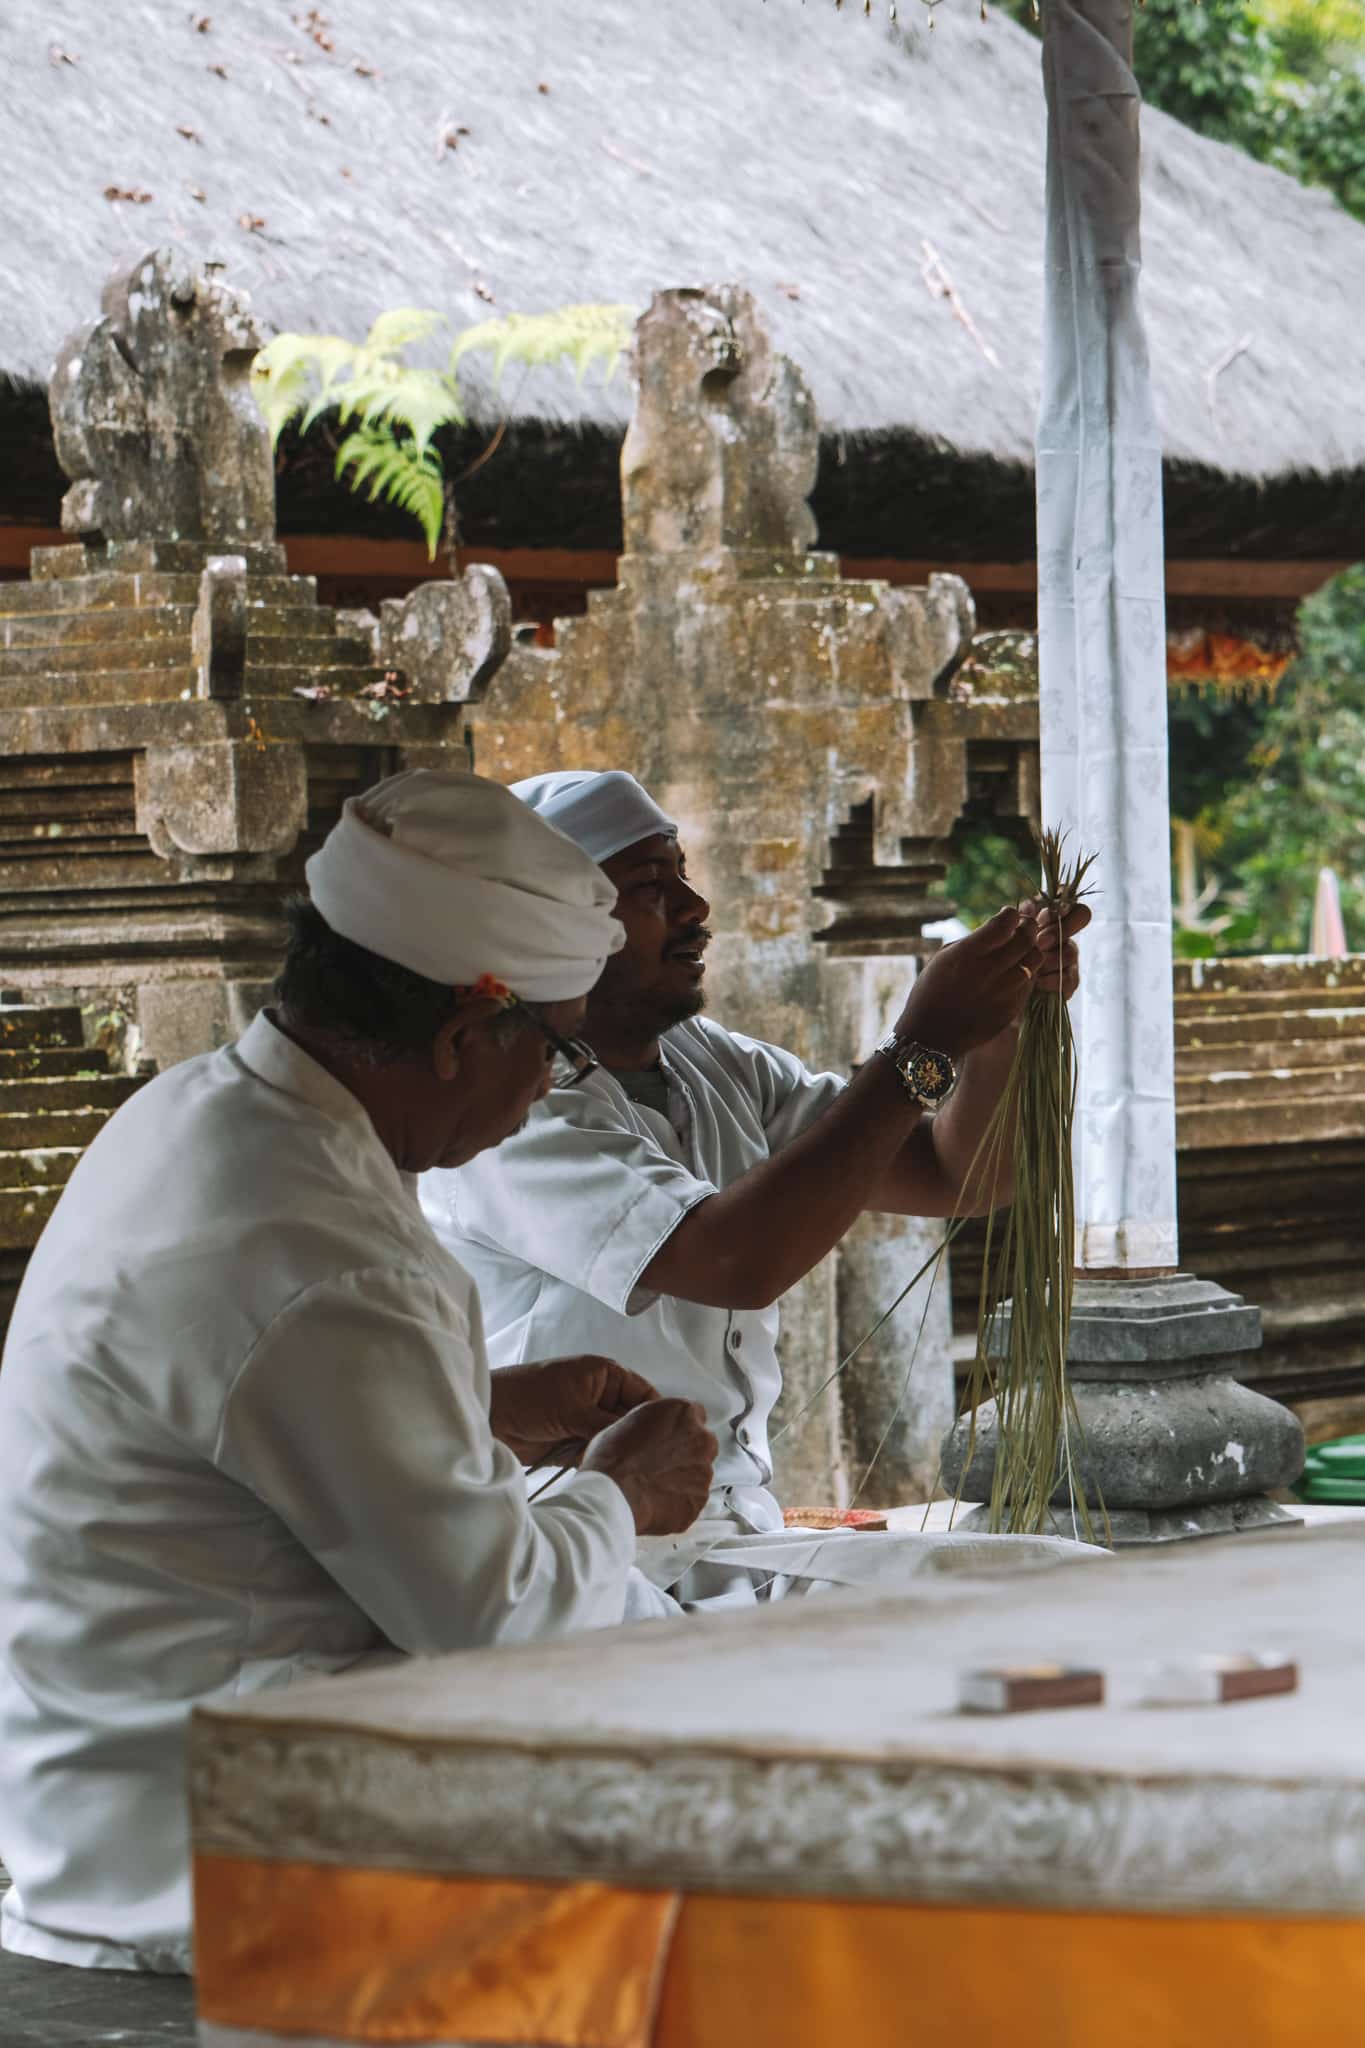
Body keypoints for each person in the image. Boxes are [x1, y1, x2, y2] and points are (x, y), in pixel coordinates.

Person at [0, 769, 716, 1973]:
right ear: (460, 1039)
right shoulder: (329, 1254)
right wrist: (621, 1493)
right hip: (212, 1850)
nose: (548, 1089)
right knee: (749, 1817)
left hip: (113, 1790)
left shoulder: (198, 1112)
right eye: (554, 1054)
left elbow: (237, 1415)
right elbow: (499, 1618)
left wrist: (477, 1403)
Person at [421, 770, 1087, 1603]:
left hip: (735, 1539)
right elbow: (734, 1260)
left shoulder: (708, 1060)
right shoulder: (511, 1106)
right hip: (580, 1548)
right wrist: (922, 1044)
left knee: (1062, 1581)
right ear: (557, 922)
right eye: (651, 887)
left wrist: (999, 1022)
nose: (694, 909)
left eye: (682, 875)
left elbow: (959, 1174)